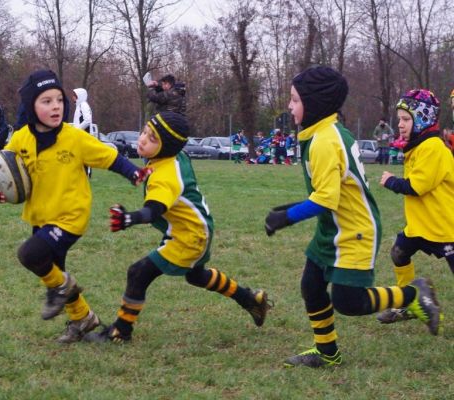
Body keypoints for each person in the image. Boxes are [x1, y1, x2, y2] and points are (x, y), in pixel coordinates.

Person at [264, 66, 442, 368]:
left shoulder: (323, 141)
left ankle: (412, 295)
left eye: (294, 100)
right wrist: (287, 209)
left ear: (314, 103)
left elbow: (325, 198)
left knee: (348, 301)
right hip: (332, 226)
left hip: (354, 230)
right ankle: (327, 352)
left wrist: (287, 217)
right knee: (311, 285)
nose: (290, 106)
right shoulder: (324, 133)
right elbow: (329, 192)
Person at [0, 70, 150, 344]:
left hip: (71, 217)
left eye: (59, 100)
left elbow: (109, 157)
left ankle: (63, 291)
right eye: (46, 101)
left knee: (30, 255)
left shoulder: (74, 137)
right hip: (40, 217)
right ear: (31, 107)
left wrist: (133, 173)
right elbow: (1, 169)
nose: (55, 106)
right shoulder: (22, 138)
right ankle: (82, 318)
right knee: (54, 272)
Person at [83, 111, 271, 343]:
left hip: (189, 236)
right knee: (196, 276)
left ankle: (120, 331)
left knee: (138, 272)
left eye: (152, 139)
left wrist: (129, 218)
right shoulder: (175, 154)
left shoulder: (165, 176)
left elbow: (153, 210)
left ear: (165, 147)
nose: (142, 139)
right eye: (144, 132)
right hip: (196, 226)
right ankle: (250, 299)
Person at [376, 89, 454, 325]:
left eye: (406, 119)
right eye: (399, 119)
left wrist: (391, 181)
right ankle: (409, 303)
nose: (400, 124)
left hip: (444, 227)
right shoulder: (418, 145)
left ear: (423, 118)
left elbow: (418, 186)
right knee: (399, 253)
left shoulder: (433, 147)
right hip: (420, 226)